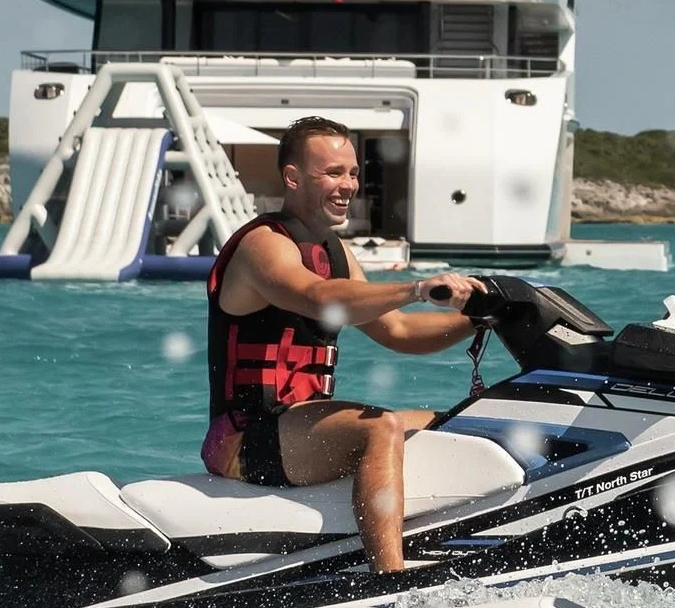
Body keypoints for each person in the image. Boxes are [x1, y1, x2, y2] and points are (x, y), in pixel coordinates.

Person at [204, 117, 484, 573]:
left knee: (460, 421)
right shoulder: (263, 246)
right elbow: (320, 299)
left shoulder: (336, 252)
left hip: (300, 429)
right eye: (333, 173)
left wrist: (479, 319)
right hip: (244, 436)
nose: (348, 185)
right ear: (293, 177)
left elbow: (398, 332)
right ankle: (389, 579)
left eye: (352, 173)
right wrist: (416, 289)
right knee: (381, 426)